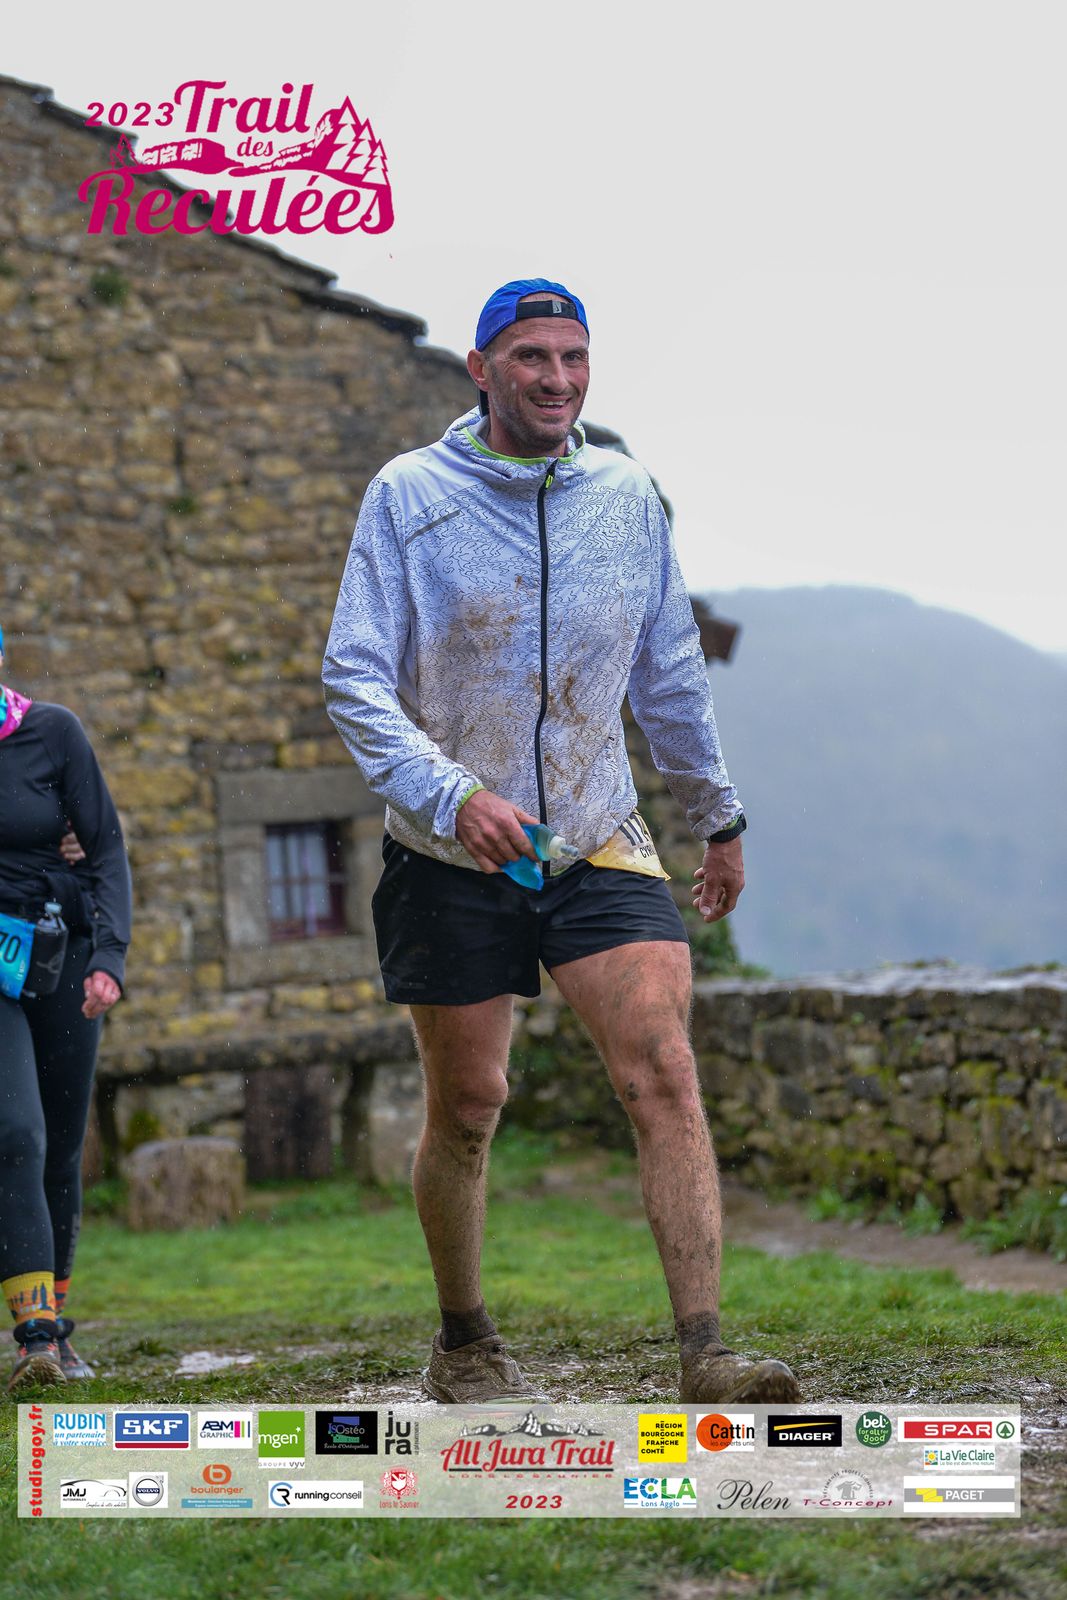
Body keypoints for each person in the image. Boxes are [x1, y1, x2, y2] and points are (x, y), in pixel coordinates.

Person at [323, 278, 800, 1405]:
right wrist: (451, 796)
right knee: (469, 1105)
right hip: (450, 852)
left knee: (663, 1071)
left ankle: (706, 1354)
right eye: (531, 357)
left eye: (573, 357)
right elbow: (354, 678)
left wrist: (716, 815)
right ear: (480, 369)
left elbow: (668, 672)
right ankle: (464, 1343)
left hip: (594, 837)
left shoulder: (624, 496)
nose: (556, 378)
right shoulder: (409, 495)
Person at [0, 624, 131, 1390]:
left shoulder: (51, 733)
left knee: (58, 1143)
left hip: (59, 953)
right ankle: (34, 1335)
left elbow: (105, 847)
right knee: (15, 1132)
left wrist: (109, 957)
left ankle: (56, 1329)